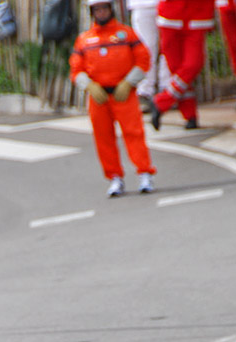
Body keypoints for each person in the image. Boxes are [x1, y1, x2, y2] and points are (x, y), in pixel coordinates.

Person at [70, 0, 157, 197]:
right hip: (98, 97)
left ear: (111, 9)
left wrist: (129, 82)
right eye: (97, 9)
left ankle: (144, 173)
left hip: (123, 93)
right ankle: (114, 178)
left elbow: (143, 59)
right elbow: (76, 70)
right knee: (103, 139)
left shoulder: (126, 34)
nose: (101, 12)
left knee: (134, 134)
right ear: (92, 12)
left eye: (104, 8)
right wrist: (89, 86)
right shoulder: (84, 39)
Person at [150, 0, 214, 130]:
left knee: (193, 64)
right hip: (170, 14)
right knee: (177, 70)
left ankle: (162, 101)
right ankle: (190, 115)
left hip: (197, 13)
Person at [125, 0, 171, 113]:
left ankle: (167, 90)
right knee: (145, 49)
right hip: (142, 5)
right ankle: (144, 92)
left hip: (169, 4)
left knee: (168, 47)